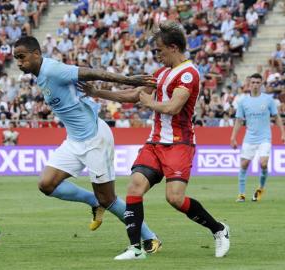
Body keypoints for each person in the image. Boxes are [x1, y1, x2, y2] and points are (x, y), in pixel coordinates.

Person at [78, 21, 230, 260]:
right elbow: (134, 95)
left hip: (180, 143)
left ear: (173, 47)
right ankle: (135, 249)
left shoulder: (189, 74)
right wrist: (98, 93)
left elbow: (172, 106)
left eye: (159, 50)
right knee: (134, 186)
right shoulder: (161, 73)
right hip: (155, 142)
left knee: (175, 199)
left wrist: (148, 102)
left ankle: (219, 229)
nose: (156, 55)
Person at [13, 36, 161, 253]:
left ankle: (150, 237)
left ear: (36, 54)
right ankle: (93, 201)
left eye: (22, 57)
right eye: (16, 58)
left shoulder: (54, 70)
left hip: (94, 139)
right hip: (74, 141)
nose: (19, 63)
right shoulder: (40, 77)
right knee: (46, 184)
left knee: (109, 198)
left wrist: (132, 80)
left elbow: (95, 73)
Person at [230, 73, 285, 202]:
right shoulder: (243, 101)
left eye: (257, 82)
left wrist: (283, 132)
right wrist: (233, 137)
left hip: (265, 137)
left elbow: (276, 117)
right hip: (249, 138)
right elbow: (239, 121)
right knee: (244, 164)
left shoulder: (268, 100)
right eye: (253, 82)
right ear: (249, 84)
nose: (255, 85)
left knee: (264, 163)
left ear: (261, 84)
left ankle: (260, 189)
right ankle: (241, 194)